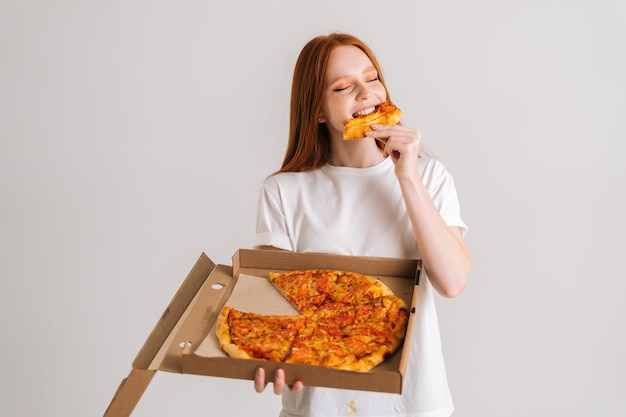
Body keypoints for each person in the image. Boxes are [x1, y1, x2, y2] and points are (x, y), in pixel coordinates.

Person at [252, 32, 471, 417]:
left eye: (372, 79)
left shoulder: (429, 176)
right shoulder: (284, 191)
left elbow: (452, 282)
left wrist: (406, 175)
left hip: (412, 403)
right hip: (316, 402)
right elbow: (273, 306)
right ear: (317, 111)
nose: (365, 92)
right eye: (342, 86)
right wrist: (267, 355)